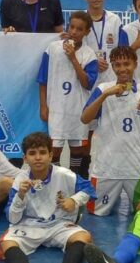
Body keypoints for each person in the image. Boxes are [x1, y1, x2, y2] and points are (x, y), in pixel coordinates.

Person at [0, 132, 114, 263]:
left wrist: (74, 200)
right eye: (32, 153)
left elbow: (90, 190)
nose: (38, 157)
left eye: (42, 152)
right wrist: (20, 196)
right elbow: (13, 219)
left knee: (83, 237)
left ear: (50, 155)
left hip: (59, 224)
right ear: (25, 158)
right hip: (29, 226)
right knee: (6, 243)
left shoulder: (65, 175)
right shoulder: (20, 180)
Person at [81, 46, 140, 216]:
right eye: (117, 65)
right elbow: (85, 119)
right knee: (96, 215)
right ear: (112, 66)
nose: (122, 69)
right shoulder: (103, 89)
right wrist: (105, 96)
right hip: (106, 167)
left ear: (135, 64)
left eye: (126, 64)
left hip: (137, 167)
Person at [38, 11, 98, 176]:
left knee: (78, 150)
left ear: (87, 32)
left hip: (77, 109)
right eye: (71, 27)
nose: (74, 32)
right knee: (54, 150)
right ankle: (56, 181)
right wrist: (43, 105)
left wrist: (73, 58)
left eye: (79, 29)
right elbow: (42, 79)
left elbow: (87, 83)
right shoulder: (53, 48)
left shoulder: (89, 54)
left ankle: (74, 182)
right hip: (56, 108)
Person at [80, 0, 121, 86]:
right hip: (86, 77)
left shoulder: (115, 20)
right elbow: (75, 50)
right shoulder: (79, 20)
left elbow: (120, 49)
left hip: (111, 78)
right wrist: (93, 62)